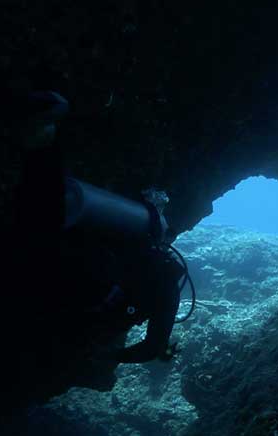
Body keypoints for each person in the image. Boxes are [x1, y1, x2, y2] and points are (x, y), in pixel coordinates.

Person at [14, 90, 192, 363]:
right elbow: (151, 348)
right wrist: (108, 357)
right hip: (77, 295)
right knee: (40, 236)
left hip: (79, 254)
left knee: (47, 216)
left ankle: (45, 137)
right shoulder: (167, 285)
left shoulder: (137, 243)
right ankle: (42, 140)